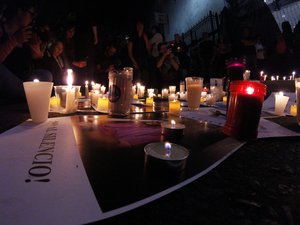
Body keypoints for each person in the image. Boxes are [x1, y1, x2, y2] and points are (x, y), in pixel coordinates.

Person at [0, 0, 52, 100]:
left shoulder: (26, 34)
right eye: (31, 14)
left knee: (45, 75)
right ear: (19, 11)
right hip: (6, 81)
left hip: (20, 80)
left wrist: (36, 50)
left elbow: (29, 67)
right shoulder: (2, 30)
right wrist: (14, 41)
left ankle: (29, 95)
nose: (32, 19)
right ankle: (30, 95)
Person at [127, 19, 151, 86]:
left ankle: (144, 89)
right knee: (137, 75)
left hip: (144, 59)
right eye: (138, 25)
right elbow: (129, 51)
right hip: (135, 58)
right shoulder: (132, 37)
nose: (140, 27)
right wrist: (134, 61)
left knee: (145, 75)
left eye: (141, 25)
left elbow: (148, 48)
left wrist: (149, 56)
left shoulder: (145, 35)